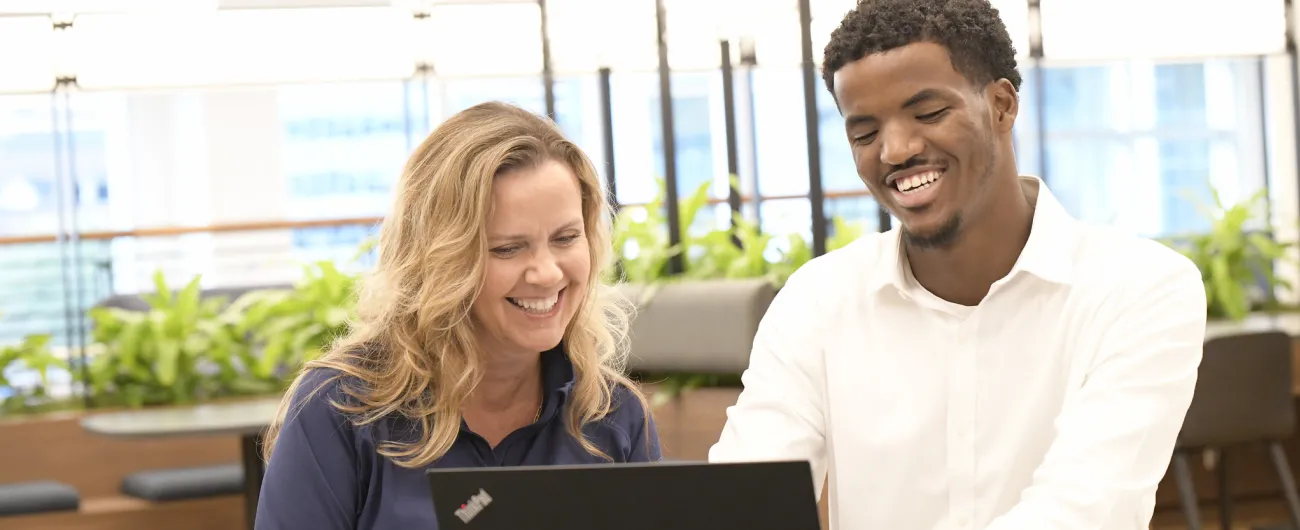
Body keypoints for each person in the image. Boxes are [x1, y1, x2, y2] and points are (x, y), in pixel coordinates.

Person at [708, 1, 1206, 529]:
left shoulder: (1139, 289)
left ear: (1002, 105)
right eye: (865, 133)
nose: (895, 150)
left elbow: (1081, 511)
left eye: (928, 113)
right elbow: (744, 501)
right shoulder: (817, 302)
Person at [255, 102, 661, 530]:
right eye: (507, 248)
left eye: (566, 238)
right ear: (438, 259)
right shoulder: (340, 409)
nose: (547, 272)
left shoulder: (613, 416)